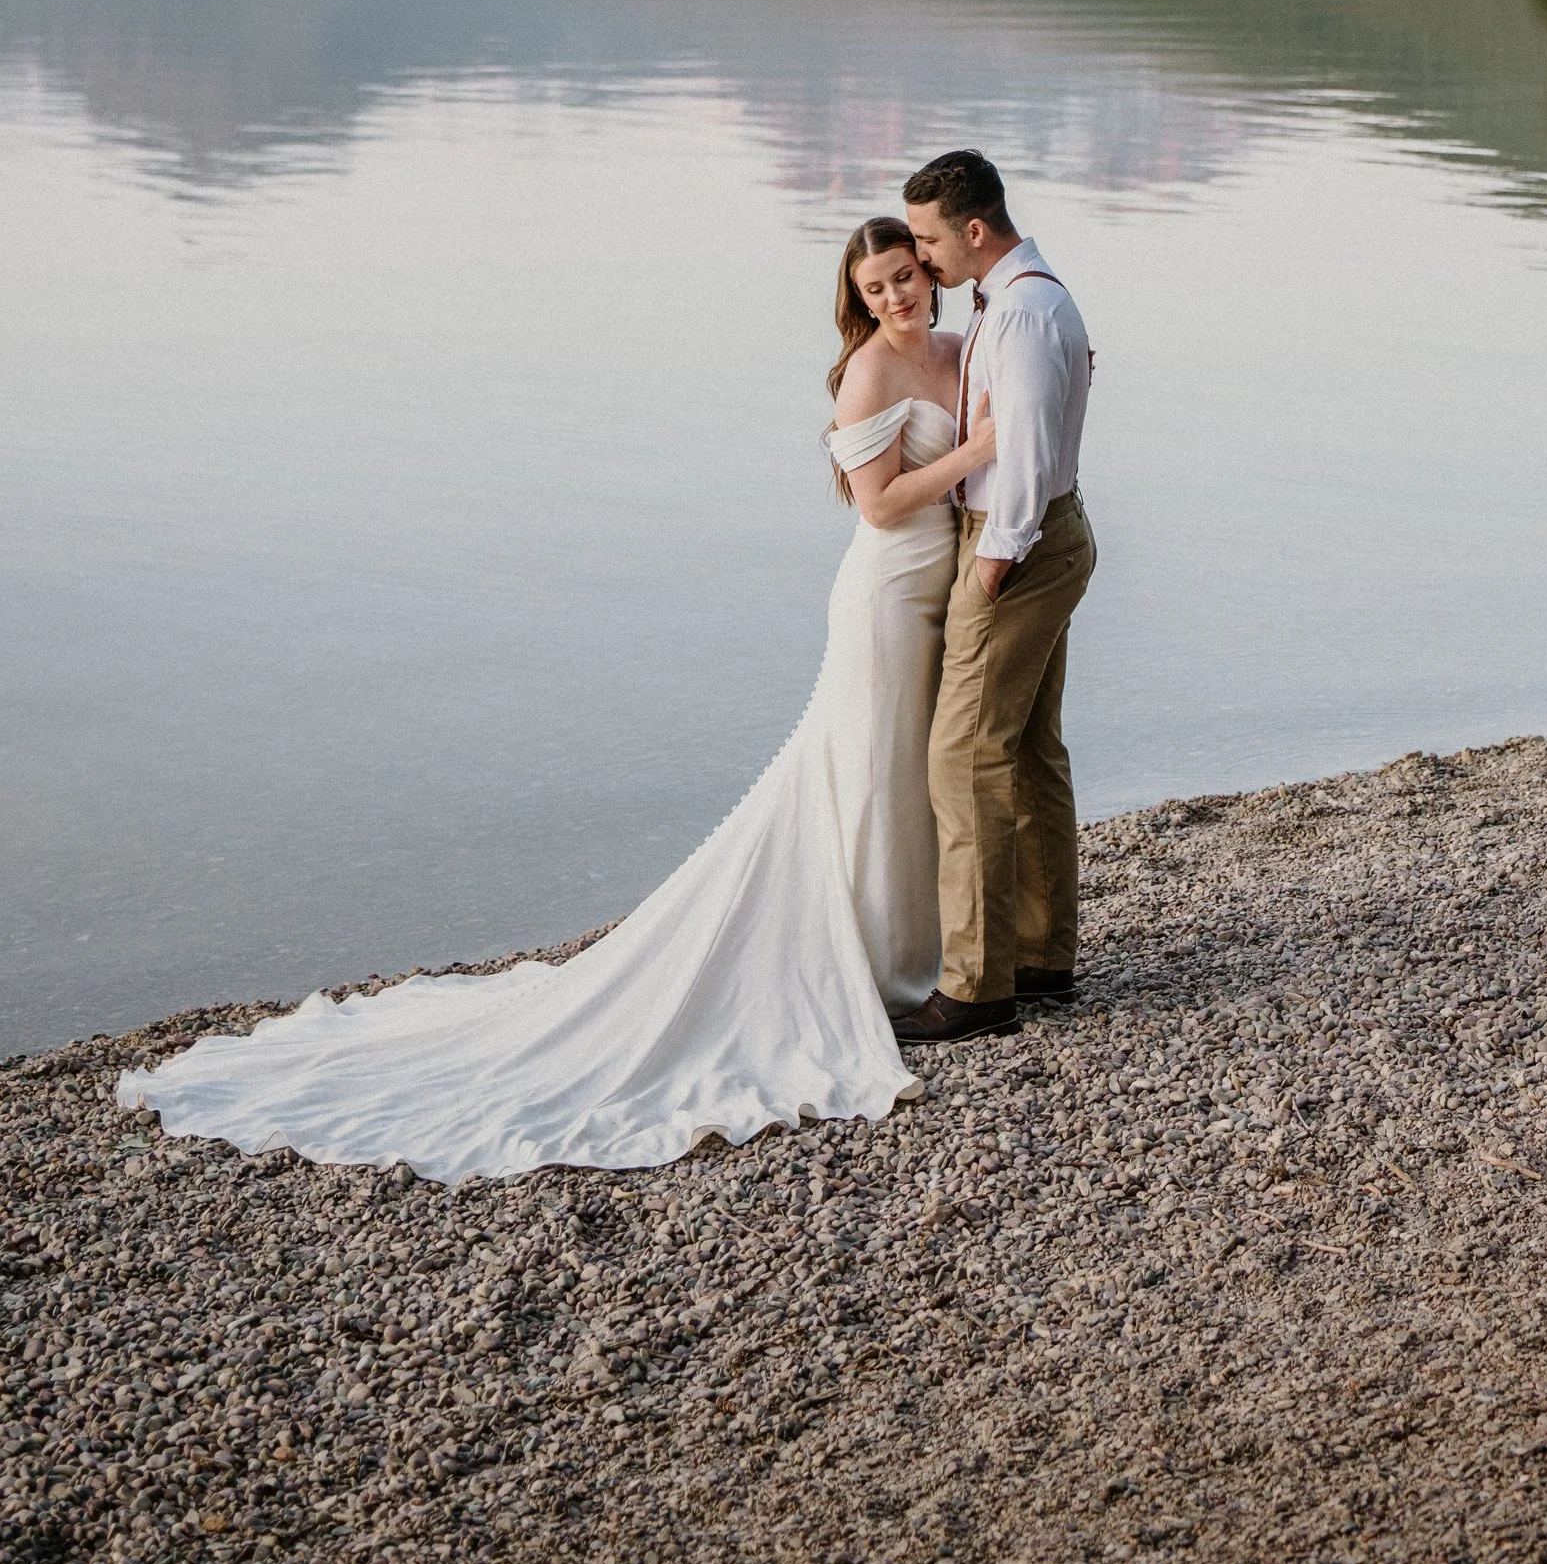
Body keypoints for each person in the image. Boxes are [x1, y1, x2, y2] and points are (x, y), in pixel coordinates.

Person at [114, 214, 1000, 1182]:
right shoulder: (869, 372)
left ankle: (907, 950)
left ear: (929, 269)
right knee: (868, 769)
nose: (894, 298)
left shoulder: (958, 348)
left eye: (904, 277)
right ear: (857, 297)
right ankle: (872, 969)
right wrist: (975, 451)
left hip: (941, 590)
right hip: (882, 595)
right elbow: (876, 503)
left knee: (910, 770)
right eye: (874, 288)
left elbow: (1006, 410)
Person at [894, 148, 1096, 1044]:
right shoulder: (1031, 298)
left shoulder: (1017, 316)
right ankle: (1043, 954)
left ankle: (978, 985)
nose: (922, 256)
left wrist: (989, 567)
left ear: (974, 231)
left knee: (964, 755)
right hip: (1054, 536)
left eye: (929, 240)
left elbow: (1014, 455)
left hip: (1018, 546)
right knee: (1028, 749)